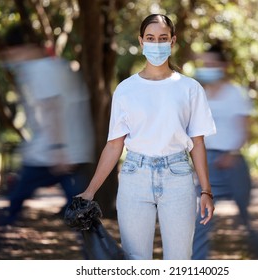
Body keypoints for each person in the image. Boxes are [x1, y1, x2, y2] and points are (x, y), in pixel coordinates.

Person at [76, 14, 216, 260]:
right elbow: (114, 145)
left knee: (179, 262)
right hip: (134, 177)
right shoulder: (126, 89)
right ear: (141, 42)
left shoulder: (190, 88)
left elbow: (197, 143)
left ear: (172, 42)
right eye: (150, 38)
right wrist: (90, 191)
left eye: (163, 38)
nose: (157, 44)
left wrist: (206, 191)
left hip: (178, 177)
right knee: (135, 262)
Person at [0, 24, 95, 226]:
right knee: (79, 211)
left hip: (51, 154)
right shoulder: (55, 65)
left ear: (23, 48)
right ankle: (97, 252)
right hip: (71, 151)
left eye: (12, 53)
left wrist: (58, 150)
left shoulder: (39, 69)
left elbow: (53, 110)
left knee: (16, 202)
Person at [192, 42, 258, 259]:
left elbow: (245, 130)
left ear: (224, 66)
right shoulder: (199, 95)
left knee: (245, 217)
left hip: (232, 163)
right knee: (202, 221)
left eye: (213, 64)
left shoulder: (236, 93)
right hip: (208, 164)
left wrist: (232, 153)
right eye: (205, 64)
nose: (208, 68)